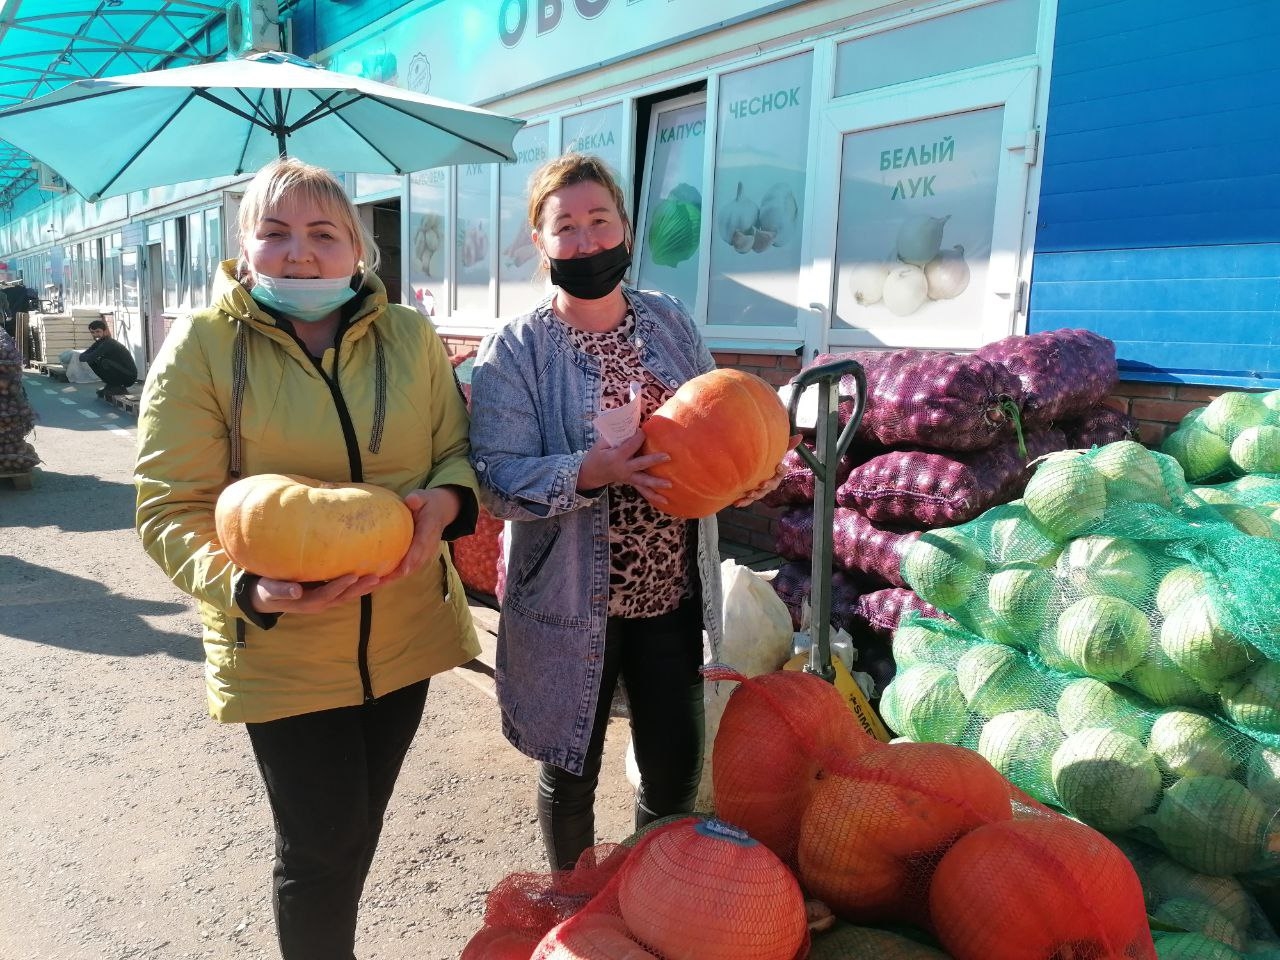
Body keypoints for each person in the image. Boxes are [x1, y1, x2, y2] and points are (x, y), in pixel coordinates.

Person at [134, 157, 479, 960]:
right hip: (282, 648)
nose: (299, 253)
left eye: (323, 234)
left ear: (357, 248)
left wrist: (446, 506)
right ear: (243, 248)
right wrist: (246, 585)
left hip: (404, 637)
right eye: (275, 233)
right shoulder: (204, 347)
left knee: (357, 830)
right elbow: (167, 506)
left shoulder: (409, 336)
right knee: (320, 845)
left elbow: (454, 453)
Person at [468, 153, 793, 872]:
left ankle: (656, 893)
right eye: (567, 227)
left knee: (674, 768)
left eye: (599, 221)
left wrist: (744, 480)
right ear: (541, 242)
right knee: (570, 766)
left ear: (624, 227)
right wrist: (590, 471)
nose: (586, 241)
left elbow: (722, 422)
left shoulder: (669, 323)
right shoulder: (517, 350)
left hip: (668, 592)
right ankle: (574, 899)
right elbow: (495, 478)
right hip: (567, 600)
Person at [79, 318, 138, 398]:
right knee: (92, 361)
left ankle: (118, 387)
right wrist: (89, 356)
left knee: (104, 361)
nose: (95, 334)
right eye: (93, 332)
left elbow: (92, 355)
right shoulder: (99, 343)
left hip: (129, 376)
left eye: (98, 331)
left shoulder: (109, 343)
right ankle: (111, 385)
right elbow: (82, 357)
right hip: (120, 371)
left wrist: (89, 356)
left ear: (105, 331)